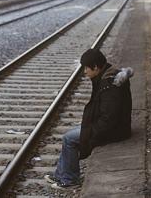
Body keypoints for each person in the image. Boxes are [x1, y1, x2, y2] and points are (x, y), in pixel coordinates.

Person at [45, 48, 134, 190]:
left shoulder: (110, 86)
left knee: (69, 139)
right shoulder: (106, 76)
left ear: (96, 67)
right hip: (113, 126)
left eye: (87, 67)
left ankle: (69, 180)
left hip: (116, 131)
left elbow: (108, 119)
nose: (85, 71)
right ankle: (61, 174)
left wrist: (91, 135)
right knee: (69, 136)